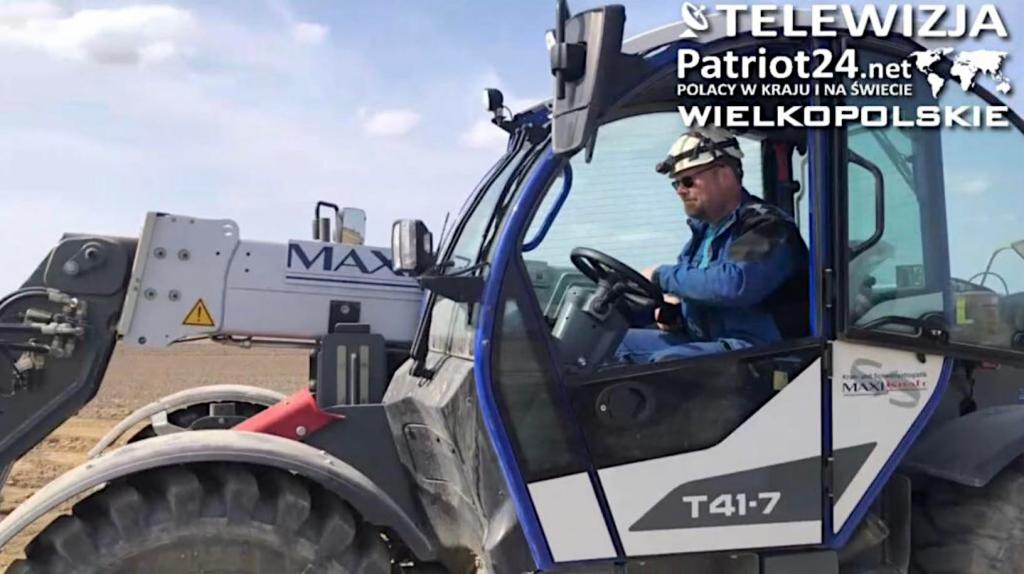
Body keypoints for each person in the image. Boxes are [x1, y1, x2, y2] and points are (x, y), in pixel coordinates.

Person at [615, 126, 809, 364]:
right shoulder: (702, 235)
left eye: (688, 181)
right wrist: (677, 314)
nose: (681, 191)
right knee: (607, 343)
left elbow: (735, 285)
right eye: (676, 184)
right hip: (711, 343)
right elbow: (702, 292)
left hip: (761, 352)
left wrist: (660, 276)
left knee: (668, 364)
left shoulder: (768, 227)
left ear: (724, 174)